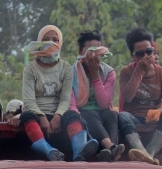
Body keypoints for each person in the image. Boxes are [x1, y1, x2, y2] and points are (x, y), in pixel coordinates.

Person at [12, 25, 98, 161]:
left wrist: (57, 117)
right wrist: (42, 117)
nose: (51, 43)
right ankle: (48, 150)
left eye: (55, 40)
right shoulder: (30, 69)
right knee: (27, 115)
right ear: (40, 42)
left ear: (60, 43)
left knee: (73, 115)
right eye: (46, 39)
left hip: (59, 113)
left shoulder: (65, 68)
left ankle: (79, 150)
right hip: (37, 113)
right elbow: (28, 100)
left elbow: (65, 99)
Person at [118, 28, 162, 164]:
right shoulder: (126, 72)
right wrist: (139, 70)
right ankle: (140, 151)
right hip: (134, 118)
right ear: (133, 55)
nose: (146, 57)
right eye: (140, 54)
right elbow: (127, 97)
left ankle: (149, 153)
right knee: (122, 116)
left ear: (154, 52)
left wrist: (158, 112)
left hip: (155, 118)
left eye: (149, 52)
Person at [70, 30, 125, 162]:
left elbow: (104, 103)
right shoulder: (71, 73)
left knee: (112, 114)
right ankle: (111, 148)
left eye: (97, 50)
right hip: (83, 111)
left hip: (103, 110)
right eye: (89, 50)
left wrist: (95, 76)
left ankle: (106, 153)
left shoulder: (108, 72)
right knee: (89, 114)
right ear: (80, 52)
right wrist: (76, 116)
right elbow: (71, 102)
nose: (94, 55)